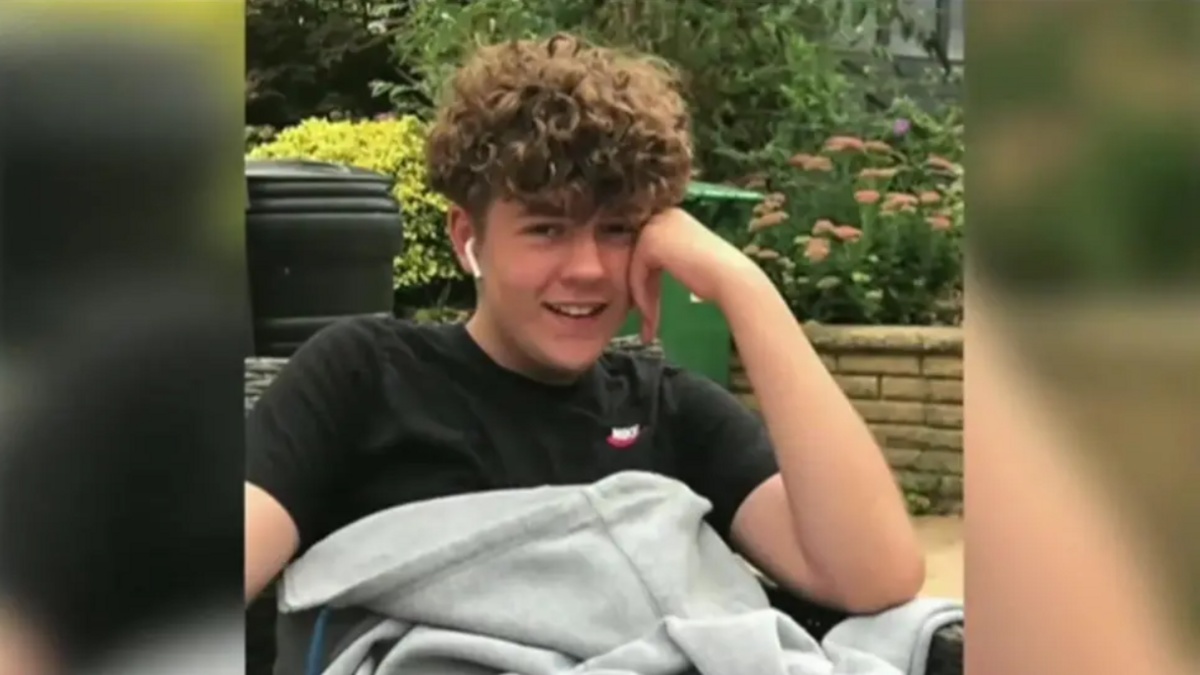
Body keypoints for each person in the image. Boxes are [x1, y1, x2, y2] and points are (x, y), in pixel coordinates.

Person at [244, 32, 924, 625]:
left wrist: (743, 287)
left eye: (619, 229)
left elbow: (873, 576)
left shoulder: (667, 412)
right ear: (466, 238)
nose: (590, 269)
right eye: (546, 228)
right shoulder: (365, 376)